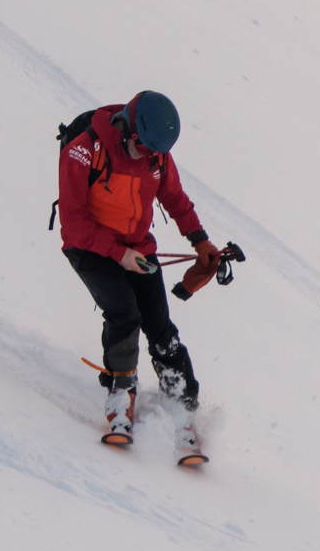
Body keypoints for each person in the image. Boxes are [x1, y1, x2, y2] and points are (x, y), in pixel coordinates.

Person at [56, 90, 221, 442]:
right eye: (145, 149)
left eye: (156, 152)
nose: (150, 157)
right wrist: (118, 255)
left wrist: (199, 239)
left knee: (160, 327)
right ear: (128, 131)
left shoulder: (156, 155)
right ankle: (120, 393)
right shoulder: (84, 151)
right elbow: (72, 223)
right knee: (125, 315)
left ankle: (183, 408)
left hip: (137, 248)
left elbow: (174, 197)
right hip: (90, 250)